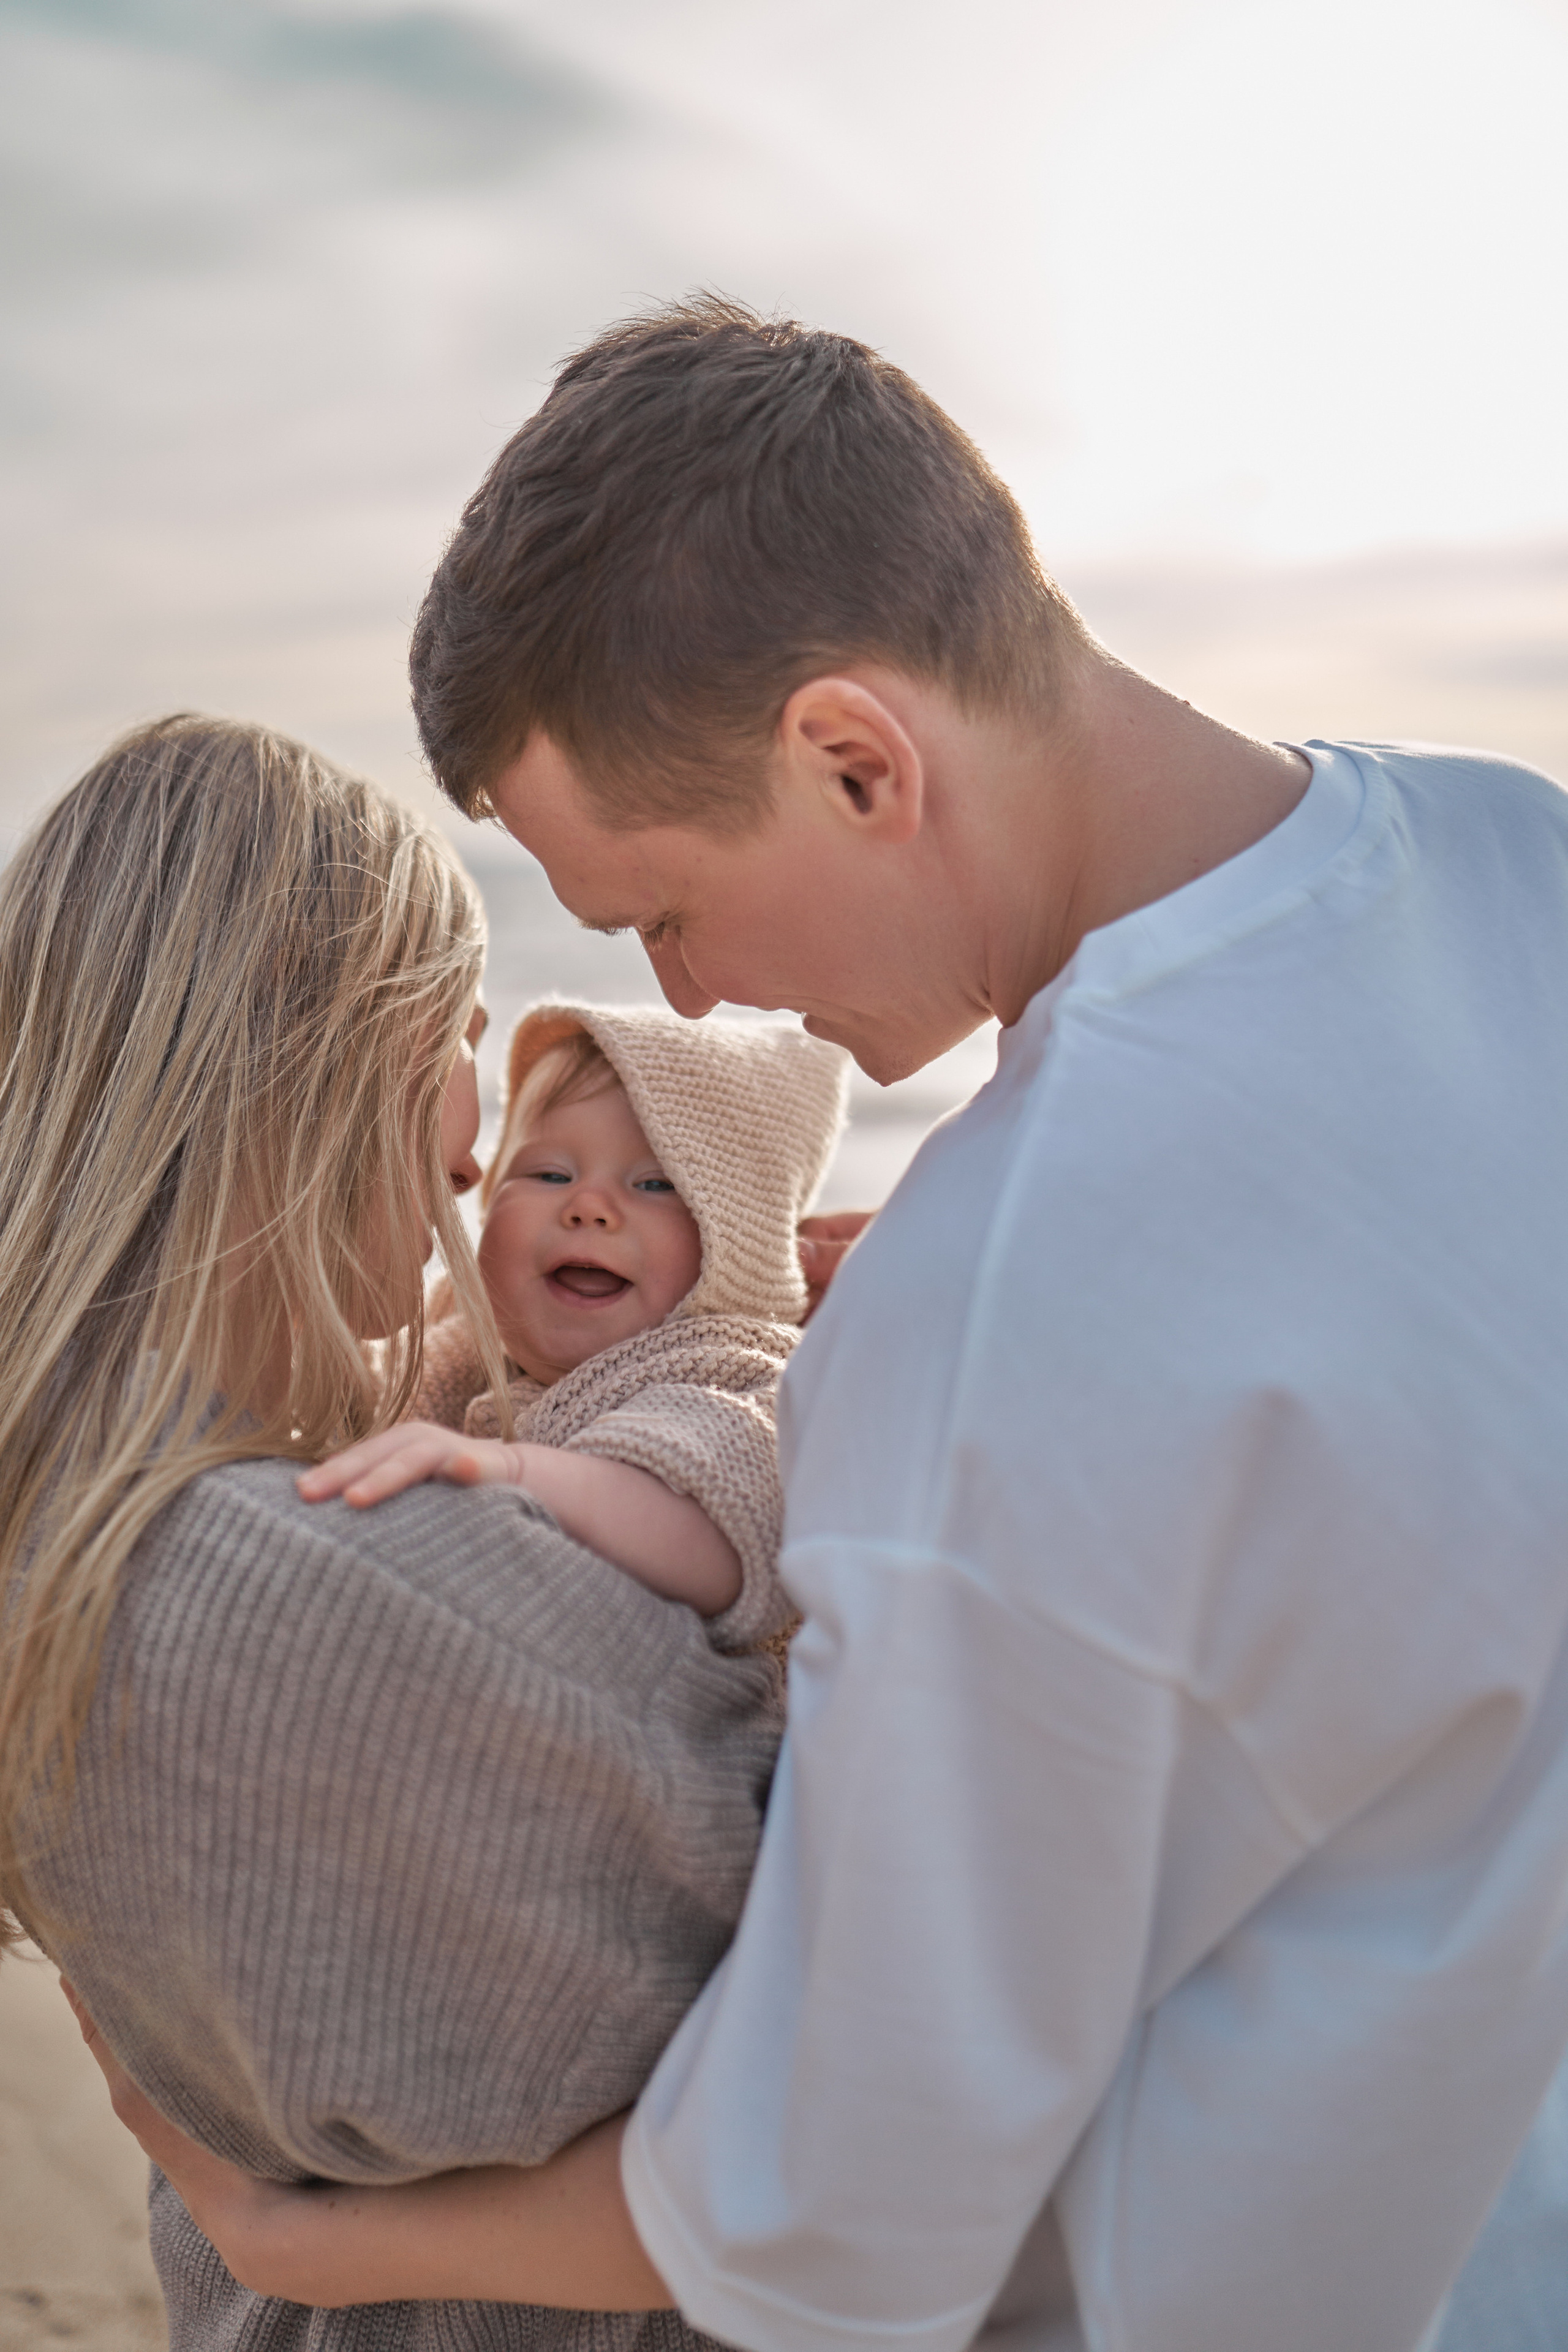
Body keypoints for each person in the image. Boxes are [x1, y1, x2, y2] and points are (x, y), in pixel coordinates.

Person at [94, 298, 1568, 2352]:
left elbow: (841, 2230)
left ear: (857, 759)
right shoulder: (1523, 862)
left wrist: (302, 2244)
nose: (689, 1005)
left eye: (660, 913)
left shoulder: (1001, 1300)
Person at [0, 713, 793, 2352]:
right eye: (459, 1026)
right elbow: (895, 2060)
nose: (482, 1119)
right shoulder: (319, 1600)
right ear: (311, 1070)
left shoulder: (71, 1524)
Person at [319, 999, 847, 1649]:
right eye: (548, 1174)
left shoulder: (741, 1370)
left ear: (748, 1244)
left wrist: (512, 1472)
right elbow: (354, 1393)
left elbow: (714, 1533)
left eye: (656, 1185)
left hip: (675, 1726)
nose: (588, 1207)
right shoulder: (470, 1333)